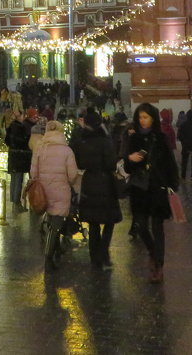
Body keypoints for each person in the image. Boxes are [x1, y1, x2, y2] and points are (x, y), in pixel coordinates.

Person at [124, 103, 181, 283]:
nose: (142, 121)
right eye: (140, 117)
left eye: (146, 117)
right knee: (140, 225)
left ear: (153, 118)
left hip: (157, 188)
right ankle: (152, 252)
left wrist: (172, 185)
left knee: (158, 228)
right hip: (139, 188)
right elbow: (126, 166)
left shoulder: (161, 138)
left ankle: (158, 264)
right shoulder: (133, 139)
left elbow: (170, 164)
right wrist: (130, 159)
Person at [71, 110, 121, 270]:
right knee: (109, 220)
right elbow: (112, 163)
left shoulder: (82, 140)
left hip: (89, 182)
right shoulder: (104, 140)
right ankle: (104, 253)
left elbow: (79, 162)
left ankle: (94, 257)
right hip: (105, 183)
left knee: (93, 223)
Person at [31, 120, 78, 271]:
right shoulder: (66, 151)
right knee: (57, 222)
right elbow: (72, 175)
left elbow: (33, 171)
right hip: (60, 190)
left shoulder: (40, 148)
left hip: (43, 191)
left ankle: (55, 250)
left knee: (52, 221)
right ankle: (48, 257)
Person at [4, 109, 33, 211]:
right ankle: (17, 203)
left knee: (14, 180)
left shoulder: (10, 127)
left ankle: (14, 202)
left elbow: (6, 141)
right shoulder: (20, 128)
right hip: (20, 157)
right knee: (18, 180)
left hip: (12, 156)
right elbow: (23, 142)